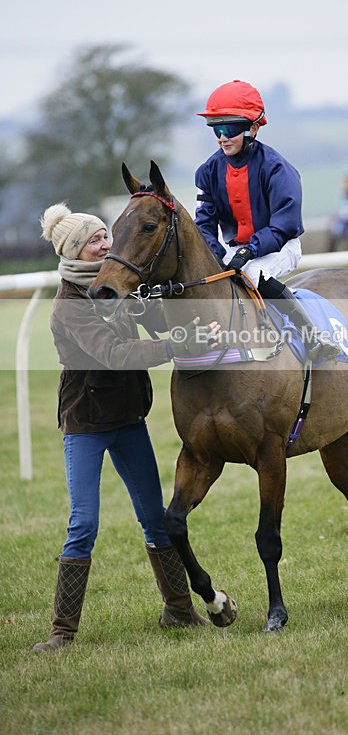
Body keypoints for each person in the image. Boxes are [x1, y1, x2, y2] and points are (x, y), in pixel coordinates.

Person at [33, 202, 212, 652]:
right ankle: (62, 632)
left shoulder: (119, 289)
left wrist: (193, 320)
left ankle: (179, 611)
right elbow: (116, 355)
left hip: (130, 421)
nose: (106, 243)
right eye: (95, 240)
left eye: (104, 234)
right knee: (84, 524)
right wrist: (176, 346)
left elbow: (156, 318)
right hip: (86, 428)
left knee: (155, 518)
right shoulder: (67, 309)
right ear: (75, 251)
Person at [194, 78, 338, 362]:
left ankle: (312, 337)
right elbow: (204, 224)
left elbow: (283, 227)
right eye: (216, 129)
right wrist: (215, 253)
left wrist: (249, 251)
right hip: (235, 249)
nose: (222, 137)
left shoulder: (278, 169)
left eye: (230, 128)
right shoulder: (207, 171)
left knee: (253, 275)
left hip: (279, 247)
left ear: (253, 128)